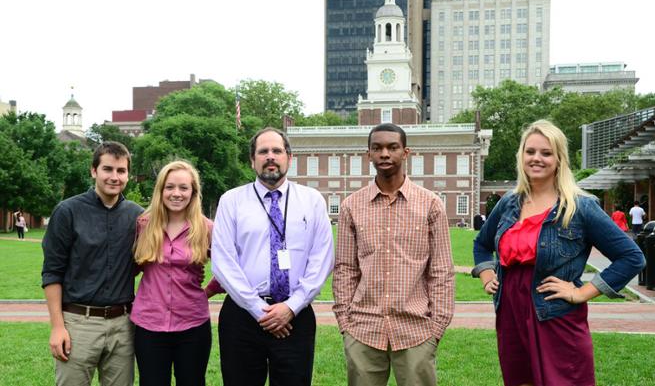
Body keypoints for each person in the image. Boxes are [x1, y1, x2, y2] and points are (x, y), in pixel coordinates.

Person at [472, 120, 645, 386]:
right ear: (521, 156)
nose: (536, 158)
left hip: (555, 312)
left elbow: (632, 257)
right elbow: (482, 243)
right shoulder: (509, 202)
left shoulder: (580, 207)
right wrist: (486, 274)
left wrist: (581, 292)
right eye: (530, 152)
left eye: (546, 152)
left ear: (559, 159)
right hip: (510, 310)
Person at [333, 123, 455, 386]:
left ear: (406, 152)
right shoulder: (351, 206)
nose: (384, 154)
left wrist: (437, 327)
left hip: (416, 329)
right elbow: (345, 268)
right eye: (377, 148)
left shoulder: (430, 205)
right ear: (369, 155)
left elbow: (442, 271)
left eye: (392, 147)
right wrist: (346, 322)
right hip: (364, 328)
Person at [211, 127, 334, 386]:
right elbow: (223, 262)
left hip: (295, 316)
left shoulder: (311, 201)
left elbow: (322, 259)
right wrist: (259, 310)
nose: (270, 156)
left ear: (289, 157)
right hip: (243, 316)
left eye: (277, 151)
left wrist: (290, 307)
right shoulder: (231, 201)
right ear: (252, 160)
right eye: (263, 151)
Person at [41, 141, 144, 385]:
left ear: (128, 174)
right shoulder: (68, 212)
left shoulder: (138, 217)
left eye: (121, 171)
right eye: (108, 169)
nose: (114, 177)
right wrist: (57, 327)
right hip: (78, 323)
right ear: (93, 171)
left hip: (123, 325)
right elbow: (52, 273)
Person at [131, 160, 224, 386]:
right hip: (149, 325)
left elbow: (227, 270)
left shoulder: (206, 228)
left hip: (192, 325)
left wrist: (206, 292)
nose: (176, 193)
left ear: (193, 192)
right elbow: (132, 267)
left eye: (183, 188)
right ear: (161, 190)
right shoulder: (144, 224)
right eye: (170, 187)